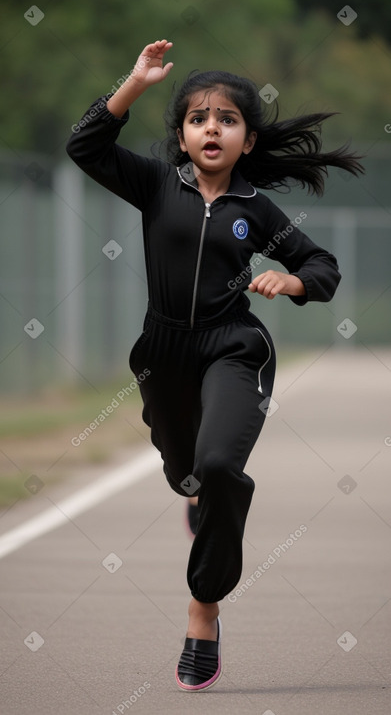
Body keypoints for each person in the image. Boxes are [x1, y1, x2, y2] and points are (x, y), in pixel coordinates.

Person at [66, 39, 364, 691]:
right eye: (198, 117)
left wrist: (291, 284)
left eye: (226, 119)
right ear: (180, 134)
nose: (211, 127)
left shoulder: (255, 211)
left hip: (235, 348)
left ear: (246, 141)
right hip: (163, 354)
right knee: (189, 477)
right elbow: (84, 146)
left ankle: (203, 608)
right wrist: (135, 82)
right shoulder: (152, 185)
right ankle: (197, 495)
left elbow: (321, 266)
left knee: (222, 468)